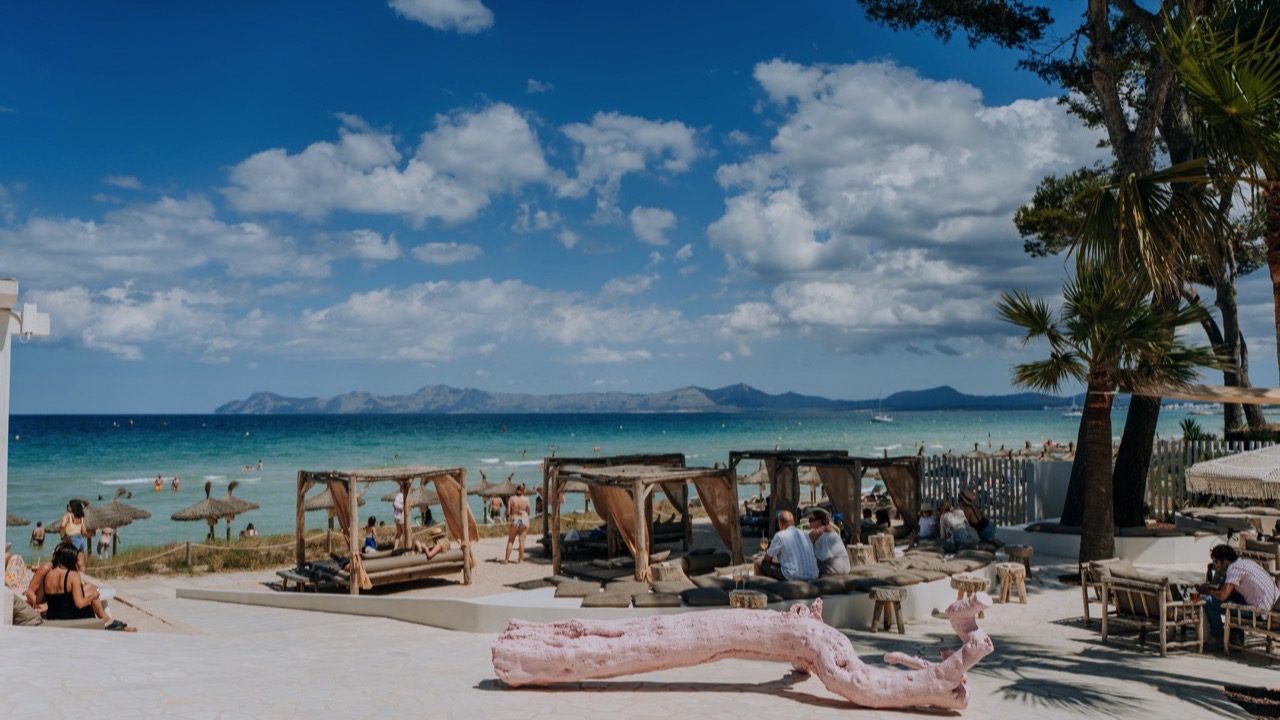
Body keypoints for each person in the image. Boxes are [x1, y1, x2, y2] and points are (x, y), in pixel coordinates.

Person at [1198, 544, 1280, 648]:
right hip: (1273, 608)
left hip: (1262, 614)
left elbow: (1223, 595)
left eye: (1216, 562)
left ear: (1224, 560)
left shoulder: (1233, 568)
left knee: (1208, 601)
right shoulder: (1247, 563)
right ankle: (1235, 635)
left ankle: (1219, 637)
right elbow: (1234, 591)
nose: (1217, 566)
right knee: (1231, 598)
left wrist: (1207, 591)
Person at [41, 543, 131, 630]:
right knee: (90, 599)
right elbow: (80, 604)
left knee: (89, 588)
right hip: (70, 619)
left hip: (52, 617)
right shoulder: (72, 575)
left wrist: (54, 597)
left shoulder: (47, 575)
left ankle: (107, 620)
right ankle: (106, 621)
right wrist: (93, 596)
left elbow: (39, 600)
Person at [754, 510, 819, 581]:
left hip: (792, 575)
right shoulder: (805, 535)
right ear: (793, 522)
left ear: (781, 524)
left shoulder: (780, 535)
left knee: (760, 563)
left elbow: (767, 559)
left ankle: (761, 587)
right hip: (813, 575)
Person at [807, 509, 849, 576]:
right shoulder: (832, 531)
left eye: (811, 520)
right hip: (845, 568)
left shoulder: (819, 533)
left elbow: (809, 537)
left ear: (819, 521)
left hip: (832, 568)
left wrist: (822, 528)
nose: (809, 522)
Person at [504, 484, 531, 564]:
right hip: (524, 518)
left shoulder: (511, 498)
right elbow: (528, 511)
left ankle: (506, 559)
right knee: (522, 540)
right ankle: (520, 560)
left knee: (511, 540)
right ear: (523, 490)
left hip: (515, 518)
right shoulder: (527, 500)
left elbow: (508, 512)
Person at [60, 499, 88, 566]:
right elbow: (84, 533)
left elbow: (62, 527)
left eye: (68, 505)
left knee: (68, 561)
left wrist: (62, 537)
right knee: (81, 563)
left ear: (73, 507)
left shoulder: (67, 515)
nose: (67, 507)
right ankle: (82, 576)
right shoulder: (81, 518)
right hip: (80, 540)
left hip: (71, 539)